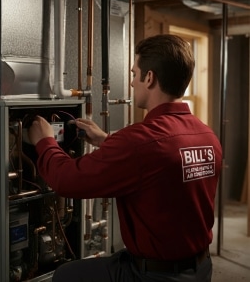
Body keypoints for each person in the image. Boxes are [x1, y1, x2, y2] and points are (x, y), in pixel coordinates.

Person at [28, 34, 222, 282]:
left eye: (134, 73)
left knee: (66, 275)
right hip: (200, 267)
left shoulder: (139, 141)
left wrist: (45, 141)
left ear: (149, 78)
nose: (132, 83)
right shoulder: (207, 135)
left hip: (153, 275)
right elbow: (162, 162)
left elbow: (67, 180)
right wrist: (107, 140)